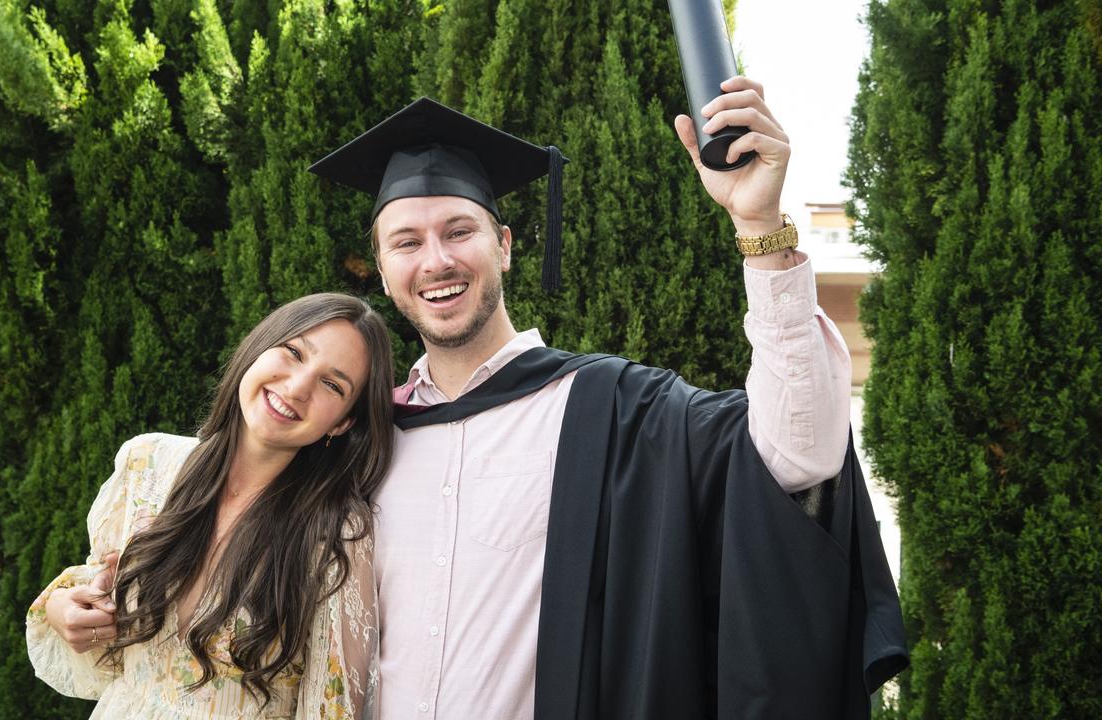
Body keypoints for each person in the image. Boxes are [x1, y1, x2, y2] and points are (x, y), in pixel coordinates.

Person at [305, 78, 907, 719]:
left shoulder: (614, 411)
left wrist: (759, 227)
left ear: (503, 246)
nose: (435, 261)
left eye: (459, 231)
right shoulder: (362, 439)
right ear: (380, 263)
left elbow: (799, 456)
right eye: (406, 242)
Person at [26, 293, 396, 719]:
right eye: (293, 352)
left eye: (332, 385)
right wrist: (64, 609)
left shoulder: (338, 534)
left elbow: (332, 709)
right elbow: (101, 603)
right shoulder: (146, 464)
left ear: (344, 422)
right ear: (260, 347)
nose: (297, 387)